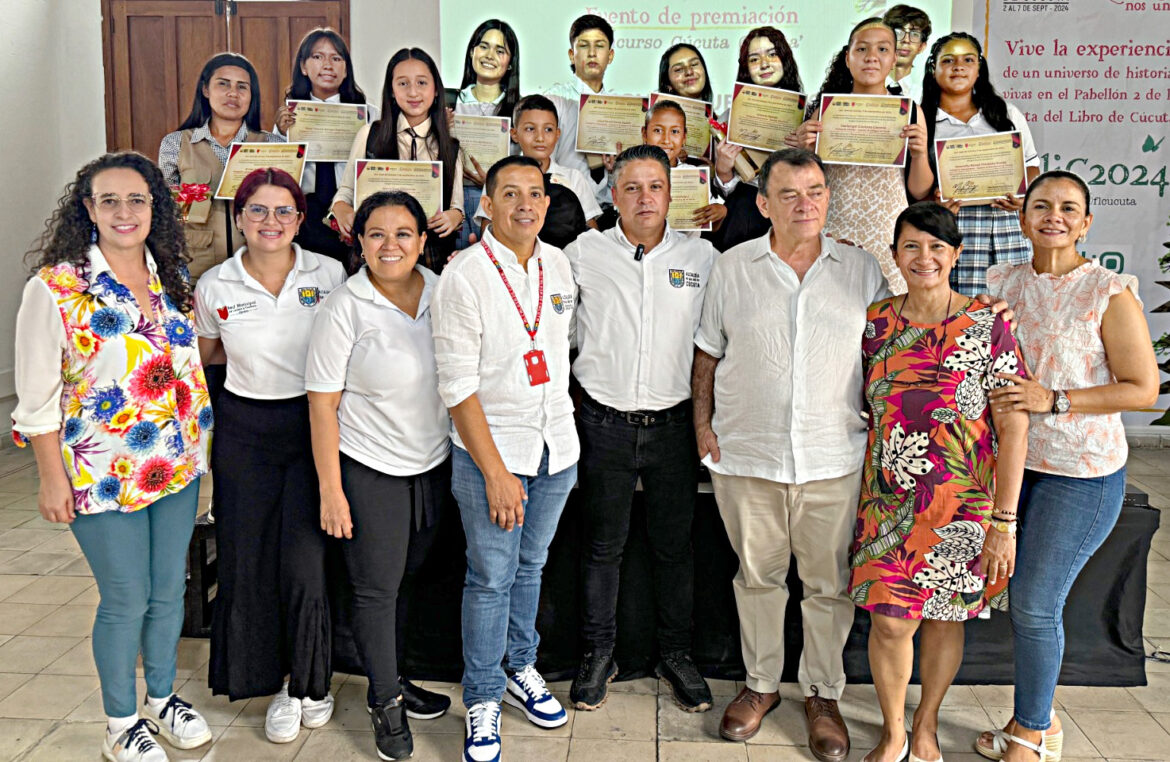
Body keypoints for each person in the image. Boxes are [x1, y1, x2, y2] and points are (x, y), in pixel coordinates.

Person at [12, 151, 214, 762]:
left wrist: (202, 458)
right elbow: (38, 398)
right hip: (100, 475)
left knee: (168, 593)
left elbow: (186, 373)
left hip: (174, 468)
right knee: (125, 597)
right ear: (88, 210)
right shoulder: (55, 289)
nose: (125, 212)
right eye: (109, 200)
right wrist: (52, 480)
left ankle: (158, 699)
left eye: (138, 200)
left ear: (157, 208)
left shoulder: (170, 276)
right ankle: (120, 722)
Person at [693, 147, 889, 759]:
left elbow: (887, 354)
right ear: (763, 203)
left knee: (827, 586)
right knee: (757, 579)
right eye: (789, 195)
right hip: (746, 454)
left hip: (834, 459)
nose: (805, 205)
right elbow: (706, 355)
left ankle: (823, 694)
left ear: (828, 198)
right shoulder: (732, 267)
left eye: (815, 192)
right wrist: (702, 427)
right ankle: (759, 686)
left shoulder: (862, 270)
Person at [975, 171, 1160, 762]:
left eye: (1068, 208)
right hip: (1007, 465)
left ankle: (1032, 730)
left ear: (1086, 223)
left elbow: (1143, 388)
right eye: (1041, 205)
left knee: (1034, 602)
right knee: (1008, 597)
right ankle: (1036, 717)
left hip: (1079, 473)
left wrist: (1053, 399)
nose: (1053, 216)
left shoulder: (1109, 291)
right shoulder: (1001, 281)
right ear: (1023, 215)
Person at [850, 202, 1028, 762]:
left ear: (955, 254)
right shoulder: (876, 323)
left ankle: (926, 724)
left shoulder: (988, 323)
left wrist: (1005, 519)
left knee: (946, 621)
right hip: (887, 503)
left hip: (964, 505)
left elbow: (1013, 425)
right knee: (889, 623)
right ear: (896, 253)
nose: (923, 258)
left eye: (936, 247)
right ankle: (894, 730)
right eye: (910, 246)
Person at [432, 156, 579, 762]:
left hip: (556, 446)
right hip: (493, 452)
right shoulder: (464, 275)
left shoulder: (558, 263)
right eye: (510, 193)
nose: (526, 204)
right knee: (490, 578)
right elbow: (457, 388)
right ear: (485, 203)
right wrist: (495, 473)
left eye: (536, 193)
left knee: (531, 567)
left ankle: (521, 667)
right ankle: (485, 695)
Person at [194, 168, 347, 744]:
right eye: (257, 210)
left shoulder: (327, 274)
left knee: (306, 561)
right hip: (244, 428)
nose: (271, 222)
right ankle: (277, 680)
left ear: (300, 220)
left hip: (314, 425)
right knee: (249, 555)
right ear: (239, 218)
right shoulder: (216, 285)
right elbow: (208, 356)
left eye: (284, 211)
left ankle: (312, 682)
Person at [564, 144, 718, 712]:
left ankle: (676, 654)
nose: (644, 198)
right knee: (602, 547)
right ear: (614, 196)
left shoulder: (703, 257)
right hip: (601, 421)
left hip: (675, 426)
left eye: (655, 186)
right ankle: (597, 654)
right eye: (631, 187)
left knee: (675, 549)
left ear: (671, 195)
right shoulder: (582, 252)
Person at [306, 191, 453, 761]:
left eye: (403, 233)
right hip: (369, 470)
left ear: (423, 240)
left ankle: (395, 677)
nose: (390, 245)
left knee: (407, 583)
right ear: (358, 241)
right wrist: (331, 491)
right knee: (375, 591)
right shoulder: (344, 306)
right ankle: (384, 705)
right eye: (376, 234)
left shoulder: (444, 293)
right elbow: (321, 406)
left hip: (432, 466)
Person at [792, 18, 934, 293]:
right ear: (848, 57)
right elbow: (804, 182)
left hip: (888, 232)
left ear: (894, 58)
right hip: (833, 229)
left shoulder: (911, 111)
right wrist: (804, 152)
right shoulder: (824, 110)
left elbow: (919, 190)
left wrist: (918, 155)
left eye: (882, 50)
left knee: (885, 321)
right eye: (861, 49)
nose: (871, 57)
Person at [921, 32, 1040, 297]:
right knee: (959, 314)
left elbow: (1032, 166)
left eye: (968, 60)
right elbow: (912, 184)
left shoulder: (1006, 114)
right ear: (933, 68)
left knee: (1014, 311)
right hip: (952, 227)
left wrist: (1024, 196)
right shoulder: (922, 119)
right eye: (948, 60)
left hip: (1007, 224)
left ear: (979, 69)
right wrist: (933, 203)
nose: (959, 67)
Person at [331, 48, 464, 272]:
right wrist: (341, 209)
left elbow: (457, 207)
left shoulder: (451, 147)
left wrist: (454, 216)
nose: (413, 92)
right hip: (379, 254)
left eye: (422, 83)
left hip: (430, 256)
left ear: (436, 90)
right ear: (391, 91)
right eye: (403, 83)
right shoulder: (369, 134)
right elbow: (345, 192)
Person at [159, 53, 282, 280]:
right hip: (194, 263)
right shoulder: (176, 143)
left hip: (258, 263)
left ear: (251, 96)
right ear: (206, 90)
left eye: (242, 87)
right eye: (223, 84)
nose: (233, 93)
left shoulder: (273, 145)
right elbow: (165, 210)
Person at [273, 28, 376, 264]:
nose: (327, 65)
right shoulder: (289, 116)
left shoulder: (369, 114)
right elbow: (279, 175)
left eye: (336, 58)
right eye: (318, 57)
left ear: (346, 68)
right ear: (303, 66)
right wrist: (280, 133)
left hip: (351, 212)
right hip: (305, 215)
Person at [712, 26, 803, 251]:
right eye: (754, 59)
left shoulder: (808, 115)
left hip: (796, 212)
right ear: (746, 69)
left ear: (786, 60)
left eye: (772, 54)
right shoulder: (729, 118)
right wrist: (723, 170)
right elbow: (725, 191)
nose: (764, 64)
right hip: (746, 217)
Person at [472, 94, 600, 241]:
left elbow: (592, 233)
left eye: (548, 130)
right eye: (530, 129)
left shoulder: (574, 178)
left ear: (558, 134)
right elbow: (488, 229)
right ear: (514, 134)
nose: (540, 137)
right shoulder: (499, 176)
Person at [455, 19, 522, 246]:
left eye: (500, 50)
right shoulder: (447, 103)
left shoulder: (519, 111)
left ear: (510, 63)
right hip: (453, 206)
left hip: (501, 204)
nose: (489, 55)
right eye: (484, 46)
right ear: (472, 51)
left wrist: (494, 181)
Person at [546, 14, 617, 206]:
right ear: (571, 54)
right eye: (584, 45)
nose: (592, 53)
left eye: (600, 46)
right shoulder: (554, 99)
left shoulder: (620, 107)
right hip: (563, 204)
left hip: (607, 207)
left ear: (610, 56)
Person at [637, 101, 726, 233]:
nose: (666, 140)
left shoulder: (694, 174)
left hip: (686, 250)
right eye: (657, 130)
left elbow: (711, 227)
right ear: (644, 134)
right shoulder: (633, 172)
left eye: (674, 131)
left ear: (684, 137)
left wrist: (720, 212)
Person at [881, 4, 932, 103]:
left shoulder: (924, 96)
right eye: (898, 32)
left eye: (914, 34)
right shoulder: (865, 89)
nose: (906, 40)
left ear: (922, 47)